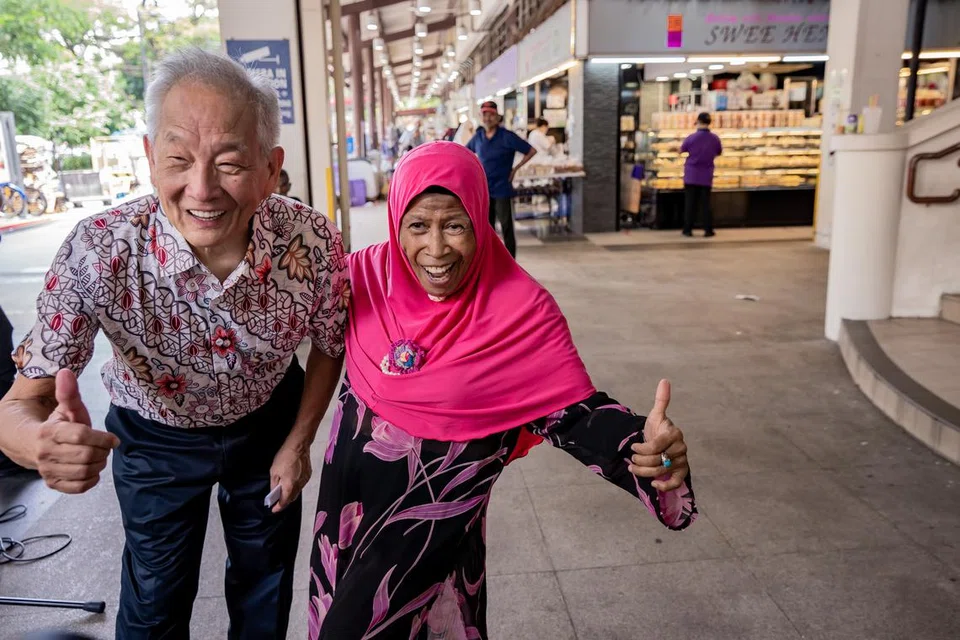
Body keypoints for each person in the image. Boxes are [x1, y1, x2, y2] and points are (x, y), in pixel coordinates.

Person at [0, 48, 348, 639]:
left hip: (268, 424)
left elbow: (330, 342)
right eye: (178, 160)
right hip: (153, 437)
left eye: (231, 163)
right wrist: (39, 446)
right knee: (155, 599)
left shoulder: (311, 241)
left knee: (264, 587)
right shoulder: (99, 251)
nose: (202, 189)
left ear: (270, 166)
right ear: (149, 159)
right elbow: (18, 404)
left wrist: (299, 441)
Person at [307, 142, 696, 639]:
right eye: (418, 225)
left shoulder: (519, 312)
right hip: (344, 518)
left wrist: (648, 451)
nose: (436, 249)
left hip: (427, 538)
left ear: (480, 219)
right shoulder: (359, 278)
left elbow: (576, 413)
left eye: (454, 224)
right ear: (395, 223)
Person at [466, 101, 537, 258]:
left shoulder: (507, 136)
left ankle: (511, 262)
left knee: (506, 226)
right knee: (487, 228)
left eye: (491, 114)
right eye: (484, 114)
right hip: (484, 190)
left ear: (497, 117)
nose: (487, 118)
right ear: (481, 117)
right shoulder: (478, 137)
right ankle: (490, 262)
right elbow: (465, 153)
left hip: (502, 188)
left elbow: (531, 151)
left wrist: (515, 169)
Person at [681, 112, 723, 238]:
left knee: (690, 204)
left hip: (691, 175)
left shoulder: (692, 137)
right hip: (706, 175)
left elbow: (682, 149)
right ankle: (708, 229)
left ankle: (687, 229)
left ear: (698, 122)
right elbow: (719, 152)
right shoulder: (714, 138)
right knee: (706, 204)